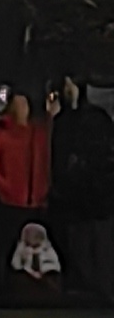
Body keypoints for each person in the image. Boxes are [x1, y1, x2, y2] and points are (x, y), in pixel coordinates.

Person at [48, 79, 114, 304]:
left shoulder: (91, 120)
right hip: (77, 200)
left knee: (96, 249)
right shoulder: (66, 122)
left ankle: (98, 291)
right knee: (83, 248)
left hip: (92, 199)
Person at [0, 90, 51, 298]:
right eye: (19, 105)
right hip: (10, 201)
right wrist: (7, 187)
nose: (23, 109)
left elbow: (45, 161)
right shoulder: (2, 134)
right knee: (8, 246)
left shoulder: (37, 133)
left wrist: (42, 189)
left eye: (25, 104)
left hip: (35, 199)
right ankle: (4, 288)